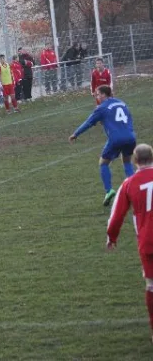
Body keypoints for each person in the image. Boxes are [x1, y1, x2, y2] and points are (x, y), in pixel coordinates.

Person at [106, 144, 153, 343]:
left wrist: (112, 237)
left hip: (148, 242)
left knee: (151, 285)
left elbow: (116, 216)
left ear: (134, 161)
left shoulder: (129, 183)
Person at [69, 85, 136, 206]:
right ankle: (134, 190)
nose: (96, 96)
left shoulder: (102, 108)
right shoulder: (122, 103)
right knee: (127, 161)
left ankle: (109, 190)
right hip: (130, 137)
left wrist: (75, 134)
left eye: (97, 94)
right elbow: (128, 119)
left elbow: (88, 123)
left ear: (104, 95)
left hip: (116, 139)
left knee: (103, 163)